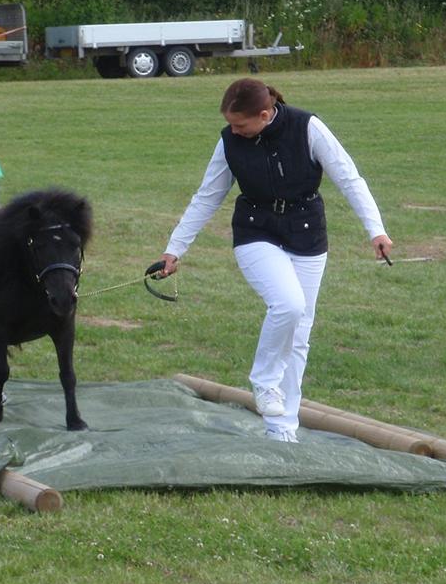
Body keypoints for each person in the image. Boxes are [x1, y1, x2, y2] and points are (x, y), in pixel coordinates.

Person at [155, 78, 392, 441]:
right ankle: (264, 381)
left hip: (307, 231)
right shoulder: (229, 142)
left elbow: (349, 178)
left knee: (299, 335)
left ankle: (282, 429)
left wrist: (375, 229)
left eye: (241, 125)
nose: (234, 131)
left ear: (265, 114)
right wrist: (175, 249)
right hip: (256, 231)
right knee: (288, 304)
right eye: (231, 124)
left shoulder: (307, 127)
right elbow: (207, 197)